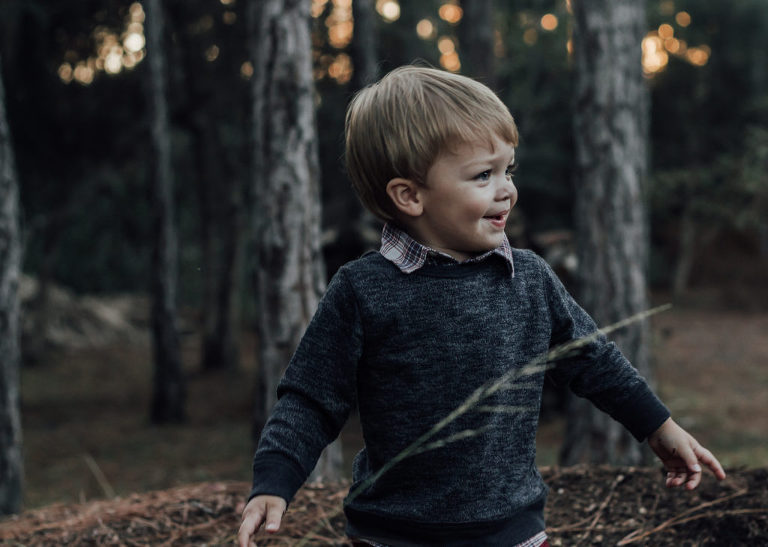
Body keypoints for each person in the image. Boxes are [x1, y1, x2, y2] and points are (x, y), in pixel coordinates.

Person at [238, 65, 725, 547]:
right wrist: (274, 483)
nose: (507, 189)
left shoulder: (528, 278)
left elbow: (596, 361)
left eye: (507, 170)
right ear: (410, 195)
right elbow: (311, 398)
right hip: (391, 536)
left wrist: (659, 428)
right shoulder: (363, 290)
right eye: (482, 175)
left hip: (513, 534)